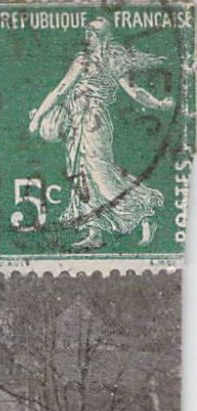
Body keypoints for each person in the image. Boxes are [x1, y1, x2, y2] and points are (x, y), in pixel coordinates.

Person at [27, 17, 175, 250]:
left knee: (101, 174)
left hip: (93, 122)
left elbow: (133, 91)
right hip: (78, 122)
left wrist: (157, 105)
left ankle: (145, 213)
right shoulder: (86, 60)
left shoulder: (104, 61)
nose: (88, 35)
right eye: (87, 31)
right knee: (81, 175)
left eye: (93, 32)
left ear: (103, 35)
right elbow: (62, 90)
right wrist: (39, 118)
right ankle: (95, 231)